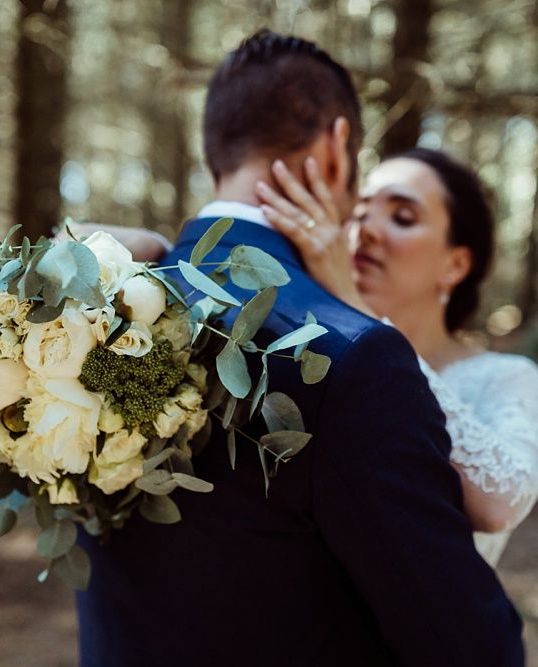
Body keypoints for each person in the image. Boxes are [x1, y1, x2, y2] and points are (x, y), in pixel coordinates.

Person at [75, 30, 525, 666]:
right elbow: (470, 645)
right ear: (338, 151)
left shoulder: (81, 319)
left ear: (214, 160)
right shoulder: (351, 354)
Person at [256, 147, 538, 567]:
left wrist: (358, 309)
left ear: (455, 266)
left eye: (402, 217)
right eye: (360, 213)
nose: (365, 232)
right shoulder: (309, 360)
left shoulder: (507, 378)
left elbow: (500, 503)